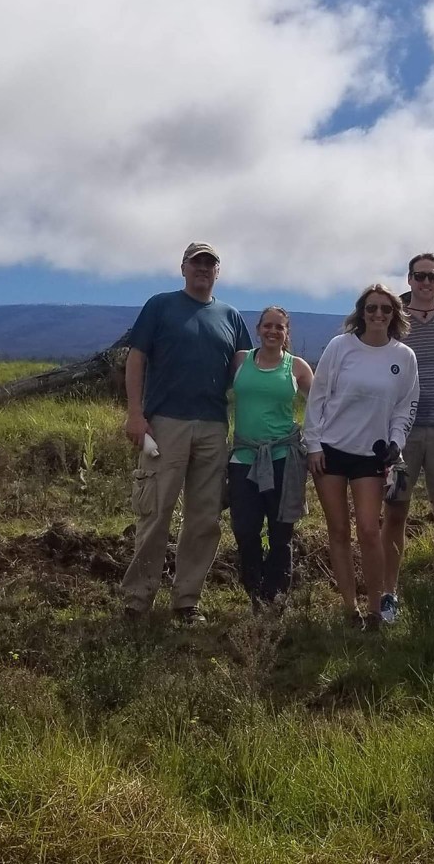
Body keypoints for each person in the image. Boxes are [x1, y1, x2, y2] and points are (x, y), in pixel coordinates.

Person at [121, 241, 252, 625]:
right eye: (196, 263)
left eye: (209, 264)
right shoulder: (160, 306)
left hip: (213, 426)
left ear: (218, 272)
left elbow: (243, 373)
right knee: (155, 512)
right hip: (165, 424)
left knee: (204, 517)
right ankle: (136, 600)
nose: (202, 269)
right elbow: (137, 358)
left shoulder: (231, 317)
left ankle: (186, 601)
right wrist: (135, 413)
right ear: (183, 268)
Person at [304, 284, 419, 630]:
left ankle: (376, 609)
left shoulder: (403, 357)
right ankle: (349, 608)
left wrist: (397, 442)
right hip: (331, 451)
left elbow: (406, 406)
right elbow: (318, 397)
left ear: (395, 315)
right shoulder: (341, 347)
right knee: (338, 530)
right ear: (361, 312)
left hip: (373, 455)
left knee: (370, 530)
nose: (378, 314)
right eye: (372, 308)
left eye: (386, 309)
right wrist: (313, 444)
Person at [380, 253, 434, 624]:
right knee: (394, 512)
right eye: (419, 276)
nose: (426, 283)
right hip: (402, 433)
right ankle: (388, 596)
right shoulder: (393, 322)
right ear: (410, 279)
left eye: (432, 277)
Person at [229, 307, 314, 611]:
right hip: (244, 457)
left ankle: (275, 594)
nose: (273, 331)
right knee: (245, 528)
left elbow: (319, 407)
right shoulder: (241, 361)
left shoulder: (297, 367)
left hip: (283, 458)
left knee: (281, 531)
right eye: (268, 326)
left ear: (286, 333)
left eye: (279, 327)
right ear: (258, 329)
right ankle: (255, 590)